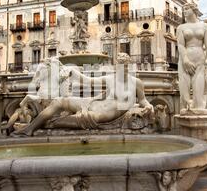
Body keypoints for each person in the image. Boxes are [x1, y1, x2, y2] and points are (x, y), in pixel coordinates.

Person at [12, 58, 153, 136]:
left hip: (104, 114)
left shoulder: (136, 83)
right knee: (59, 101)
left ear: (129, 66)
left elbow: (143, 100)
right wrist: (73, 71)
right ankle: (29, 129)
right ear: (117, 66)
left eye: (126, 65)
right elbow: (88, 81)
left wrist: (148, 106)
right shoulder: (111, 78)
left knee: (75, 119)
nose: (123, 68)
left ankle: (38, 124)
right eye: (120, 65)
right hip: (93, 103)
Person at [177, 3, 207, 113]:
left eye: (187, 9)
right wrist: (185, 60)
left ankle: (199, 107)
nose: (184, 11)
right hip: (185, 58)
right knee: (184, 86)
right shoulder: (181, 27)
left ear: (194, 10)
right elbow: (181, 45)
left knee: (199, 87)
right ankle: (186, 106)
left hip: (200, 59)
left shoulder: (204, 26)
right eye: (183, 9)